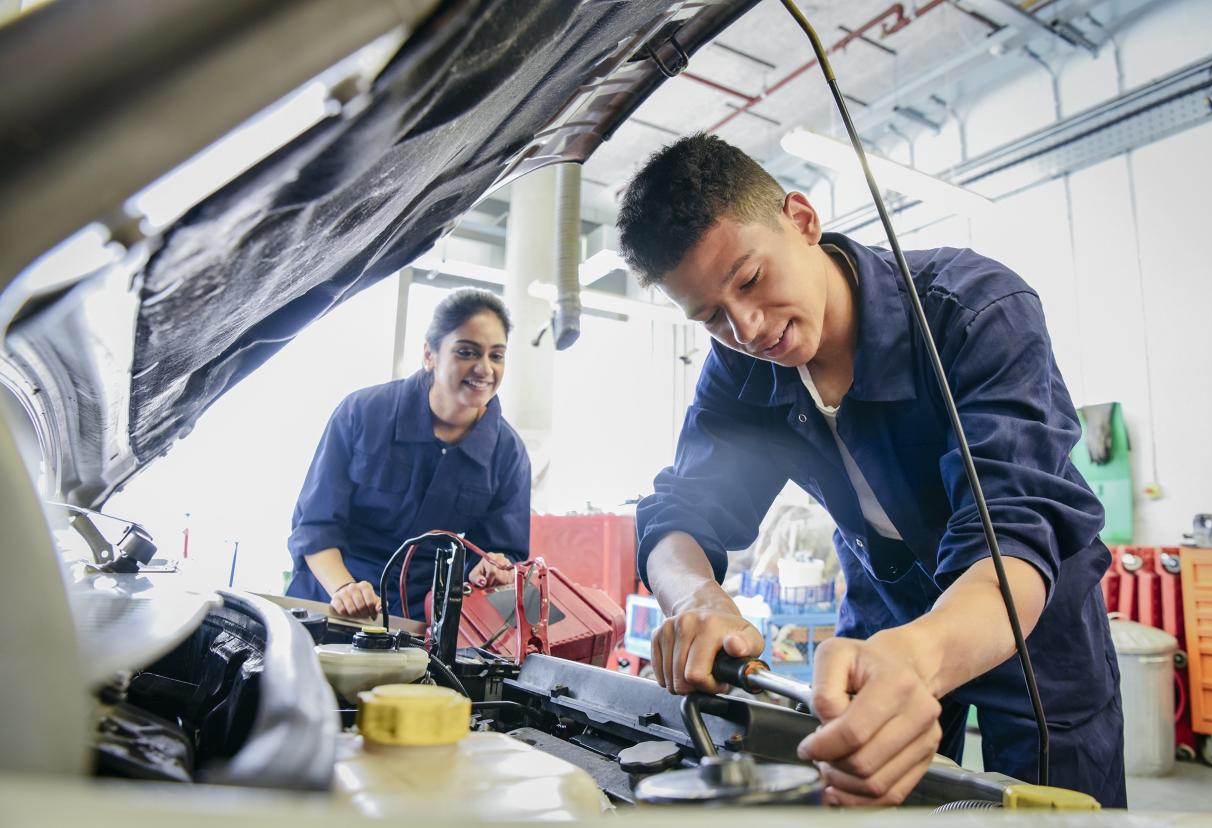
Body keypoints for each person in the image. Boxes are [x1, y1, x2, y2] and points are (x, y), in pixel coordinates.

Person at [618, 134, 1124, 807]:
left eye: (749, 280)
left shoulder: (976, 310)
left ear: (801, 220)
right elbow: (682, 509)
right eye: (711, 316)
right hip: (884, 613)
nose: (747, 328)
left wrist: (921, 656)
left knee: (1057, 809)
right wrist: (696, 600)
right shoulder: (742, 367)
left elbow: (1013, 531)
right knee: (867, 802)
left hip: (1025, 616)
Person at [286, 288, 531, 628]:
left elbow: (504, 555)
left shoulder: (508, 453)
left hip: (422, 622)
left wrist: (493, 568)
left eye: (497, 356)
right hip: (328, 601)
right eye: (466, 351)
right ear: (430, 354)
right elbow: (315, 527)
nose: (484, 368)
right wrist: (344, 588)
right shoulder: (362, 413)